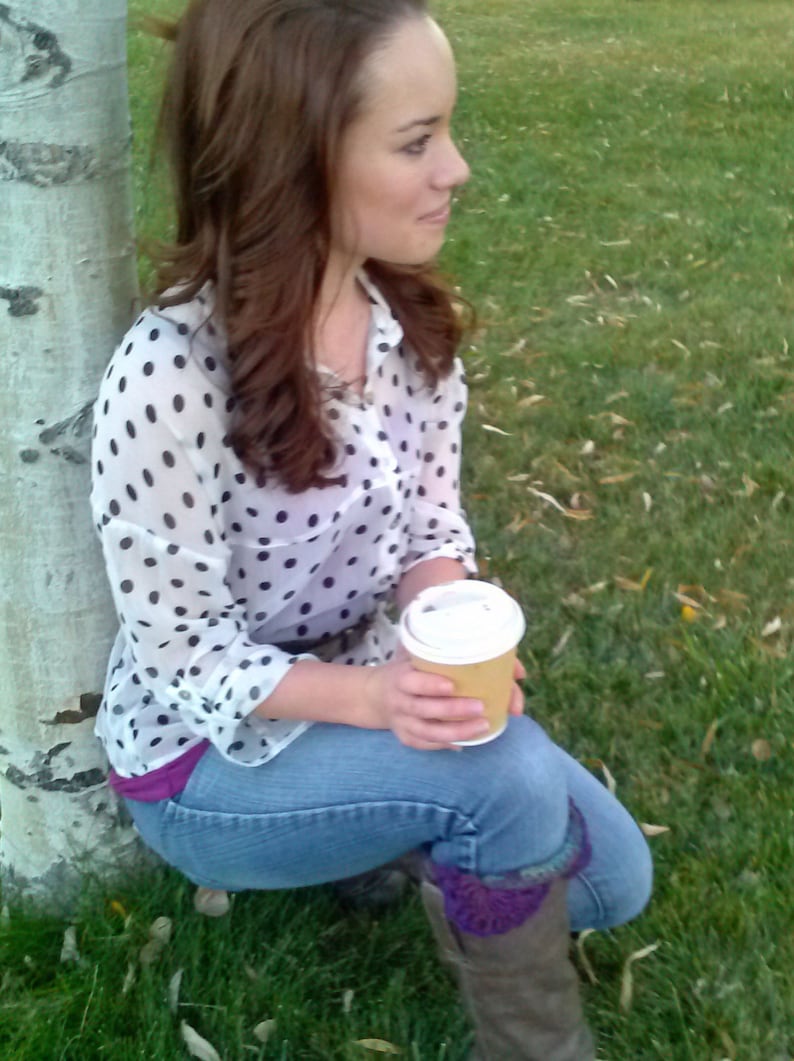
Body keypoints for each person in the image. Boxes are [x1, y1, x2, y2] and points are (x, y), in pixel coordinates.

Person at [90, 1, 652, 1056]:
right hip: (208, 764)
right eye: (415, 141)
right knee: (509, 781)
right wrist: (377, 699)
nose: (458, 169)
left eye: (446, 130)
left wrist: (446, 626)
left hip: (361, 691)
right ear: (295, 156)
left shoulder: (407, 327)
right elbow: (182, 655)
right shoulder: (169, 377)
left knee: (613, 882)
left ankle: (394, 828)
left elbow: (429, 523)